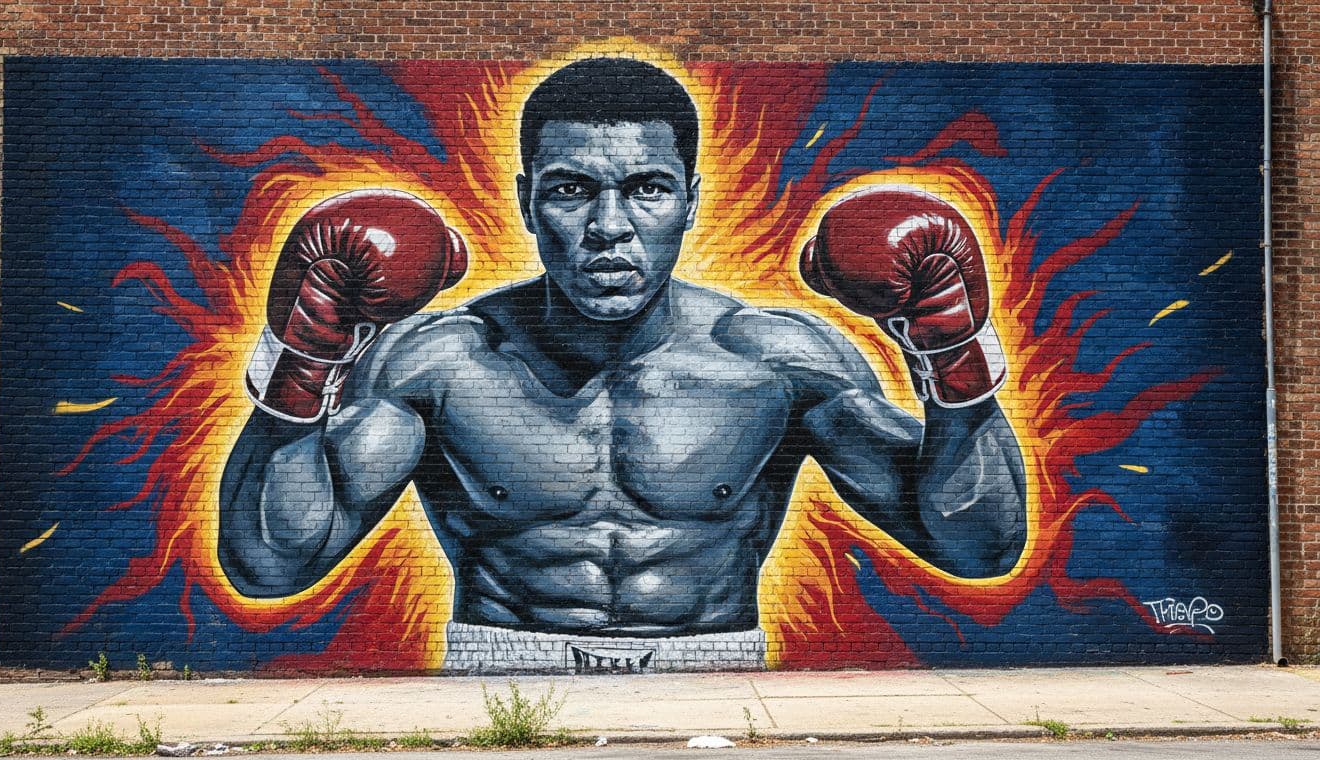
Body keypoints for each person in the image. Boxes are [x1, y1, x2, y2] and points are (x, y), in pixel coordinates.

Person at [219, 58, 1026, 672]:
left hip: (712, 667)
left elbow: (979, 546)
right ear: (528, 199)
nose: (609, 226)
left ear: (690, 201)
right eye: (572, 191)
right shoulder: (441, 362)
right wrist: (304, 360)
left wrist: (952, 358)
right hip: (501, 666)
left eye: (646, 189)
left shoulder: (777, 362)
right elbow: (271, 562)